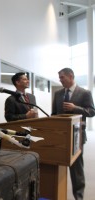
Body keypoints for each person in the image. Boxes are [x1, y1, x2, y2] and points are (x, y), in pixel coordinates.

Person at [52, 68, 95, 200]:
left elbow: (92, 112)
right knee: (57, 166)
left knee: (76, 169)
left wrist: (75, 108)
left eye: (62, 77)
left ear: (71, 76)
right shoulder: (58, 94)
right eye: (59, 78)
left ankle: (79, 197)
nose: (60, 80)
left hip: (77, 136)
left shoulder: (84, 93)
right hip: (60, 136)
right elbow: (54, 114)